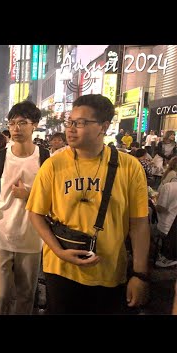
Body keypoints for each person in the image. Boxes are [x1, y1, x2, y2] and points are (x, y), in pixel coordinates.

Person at [27, 94, 150, 314]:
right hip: (60, 270)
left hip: (108, 273)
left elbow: (139, 224)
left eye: (80, 123)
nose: (71, 128)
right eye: (70, 122)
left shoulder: (129, 167)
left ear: (104, 126)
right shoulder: (53, 165)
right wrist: (58, 251)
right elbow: (35, 213)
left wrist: (139, 275)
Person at [0, 100, 46, 315]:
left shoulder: (45, 159)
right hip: (1, 235)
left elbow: (53, 199)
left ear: (34, 124)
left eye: (22, 122)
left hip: (32, 239)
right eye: (12, 123)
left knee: (26, 296)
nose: (16, 128)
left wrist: (29, 195)